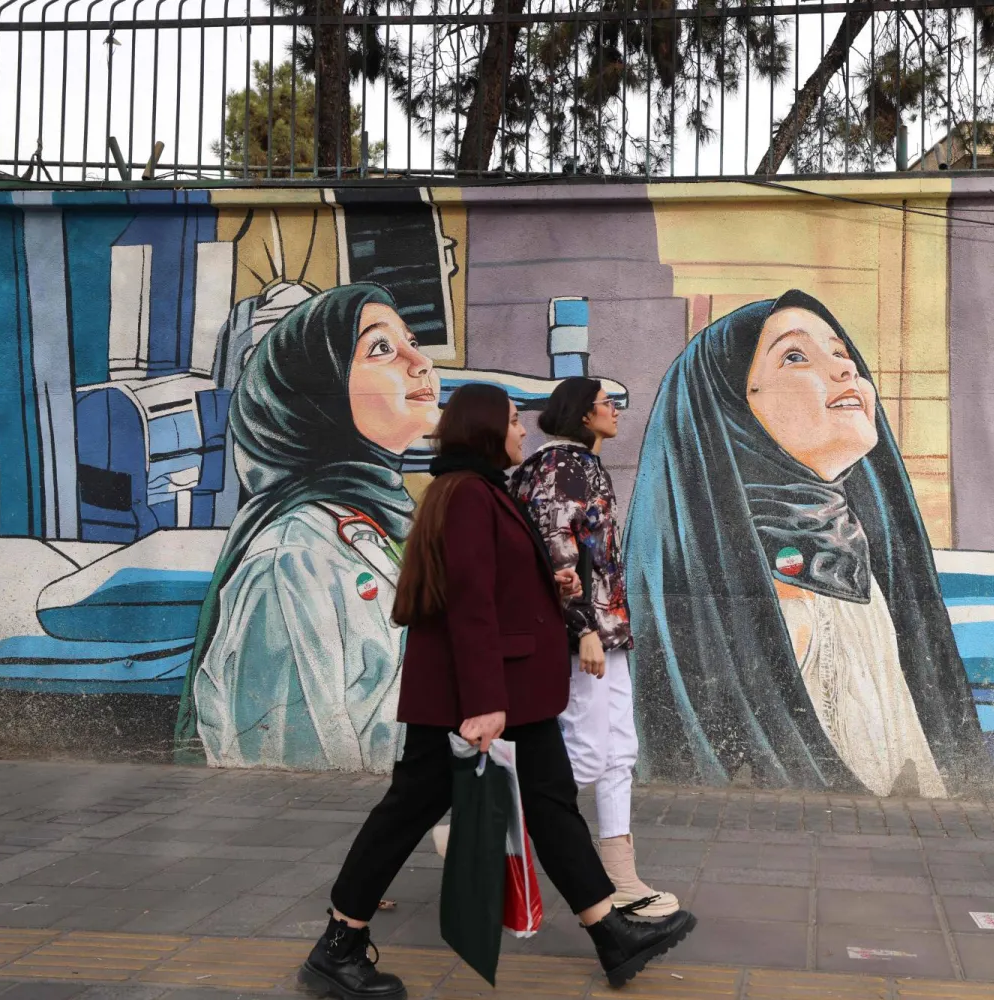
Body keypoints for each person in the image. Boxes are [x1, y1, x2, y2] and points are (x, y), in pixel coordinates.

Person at [301, 384, 697, 1000]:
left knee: (552, 804)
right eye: (514, 422)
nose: (523, 431)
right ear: (487, 429)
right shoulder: (466, 496)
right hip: (476, 697)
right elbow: (470, 604)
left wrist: (548, 583)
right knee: (407, 811)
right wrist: (484, 702)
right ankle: (339, 943)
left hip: (510, 692)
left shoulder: (481, 491)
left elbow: (499, 585)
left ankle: (611, 933)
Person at [623, 290, 989, 796]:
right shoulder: (739, 588)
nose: (847, 371)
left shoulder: (860, 558)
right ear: (734, 410)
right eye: (796, 356)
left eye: (842, 353)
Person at [176, 283, 440, 772]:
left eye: (412, 342)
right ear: (317, 398)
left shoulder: (376, 528)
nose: (419, 362)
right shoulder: (293, 560)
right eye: (381, 348)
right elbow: (288, 761)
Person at [510, 376, 675, 915]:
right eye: (608, 404)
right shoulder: (563, 466)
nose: (616, 413)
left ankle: (622, 877)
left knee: (618, 751)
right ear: (584, 413)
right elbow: (559, 551)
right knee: (585, 751)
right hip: (584, 634)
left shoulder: (577, 464)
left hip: (605, 629)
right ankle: (484, 829)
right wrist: (581, 626)